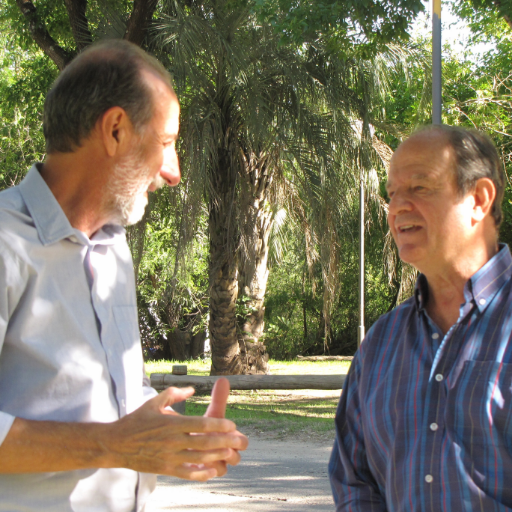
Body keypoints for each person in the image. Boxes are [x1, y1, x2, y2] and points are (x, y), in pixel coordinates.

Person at [0, 39, 248, 512]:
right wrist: (115, 444)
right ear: (115, 130)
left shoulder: (113, 248)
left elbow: (115, 402)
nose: (174, 173)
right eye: (167, 143)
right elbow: (114, 440)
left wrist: (174, 438)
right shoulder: (4, 241)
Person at [329, 125, 512, 511]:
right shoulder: (381, 343)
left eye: (419, 187)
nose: (396, 208)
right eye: (392, 194)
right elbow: (353, 479)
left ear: (479, 199)